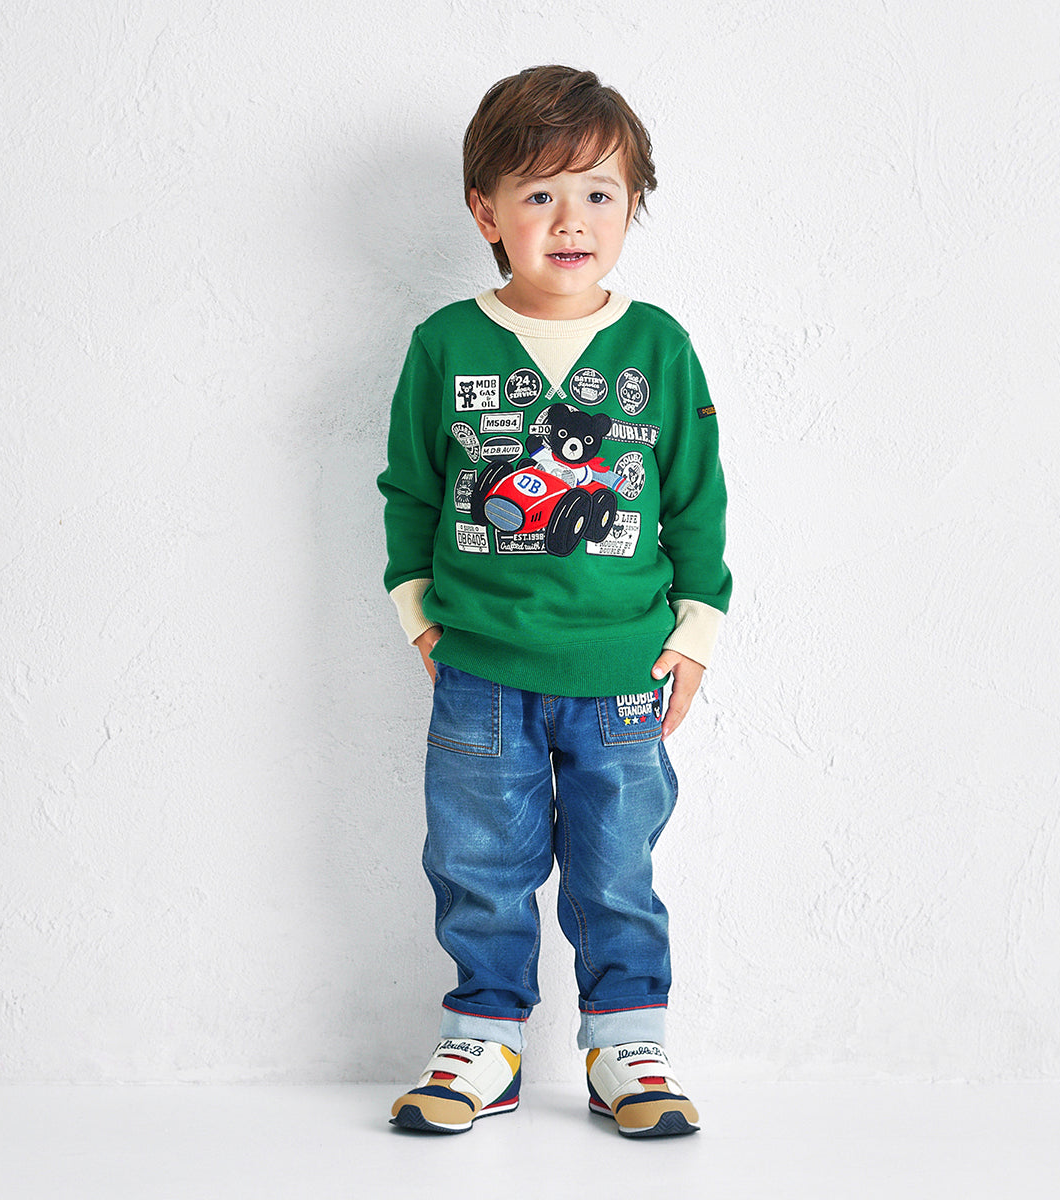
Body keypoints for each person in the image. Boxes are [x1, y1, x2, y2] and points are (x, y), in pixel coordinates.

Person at [377, 65, 731, 1138]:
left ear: (632, 207)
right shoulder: (447, 344)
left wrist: (697, 629)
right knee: (478, 864)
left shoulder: (657, 346)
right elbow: (411, 490)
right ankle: (483, 1037)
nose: (570, 220)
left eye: (597, 193)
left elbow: (696, 498)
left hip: (623, 670)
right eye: (538, 194)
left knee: (616, 868)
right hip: (480, 669)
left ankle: (628, 1044)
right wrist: (420, 613)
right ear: (486, 212)